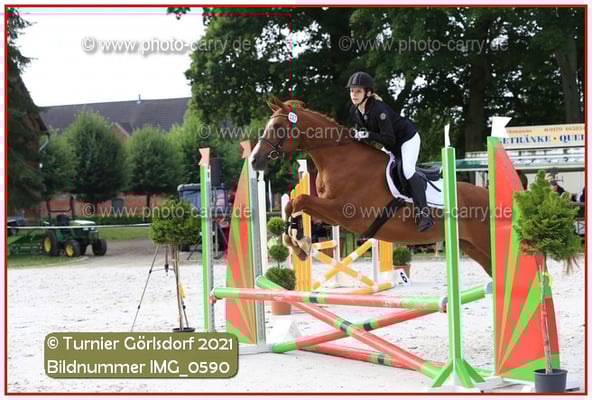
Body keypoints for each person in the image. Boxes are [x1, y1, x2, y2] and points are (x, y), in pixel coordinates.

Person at [346, 71, 433, 232]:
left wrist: (367, 135)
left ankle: (424, 214)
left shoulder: (379, 110)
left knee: (407, 170)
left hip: (407, 140)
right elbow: (364, 132)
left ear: (368, 93)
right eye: (352, 91)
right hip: (390, 144)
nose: (354, 94)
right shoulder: (354, 110)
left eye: (358, 91)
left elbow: (389, 139)